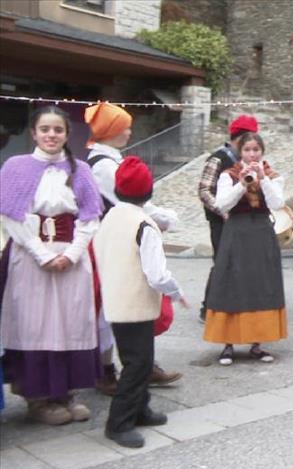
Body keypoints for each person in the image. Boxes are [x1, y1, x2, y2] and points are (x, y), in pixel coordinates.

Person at [0, 106, 102, 425]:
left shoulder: (80, 170)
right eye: (45, 129)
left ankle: (65, 392)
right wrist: (42, 254)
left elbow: (90, 217)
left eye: (58, 130)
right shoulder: (16, 167)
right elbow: (11, 216)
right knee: (37, 324)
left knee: (68, 324)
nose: (51, 135)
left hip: (70, 256)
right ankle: (38, 397)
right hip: (31, 258)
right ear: (34, 133)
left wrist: (71, 254)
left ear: (67, 135)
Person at [84, 102, 182, 394]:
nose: (129, 131)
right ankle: (110, 370)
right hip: (113, 240)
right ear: (111, 130)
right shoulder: (102, 165)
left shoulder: (107, 159)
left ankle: (140, 364)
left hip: (118, 236)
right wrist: (165, 218)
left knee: (132, 301)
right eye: (124, 126)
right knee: (113, 306)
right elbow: (129, 201)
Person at [93, 156, 188, 448]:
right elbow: (157, 273)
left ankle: (141, 408)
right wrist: (175, 291)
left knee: (135, 359)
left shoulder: (109, 218)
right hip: (135, 303)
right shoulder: (144, 224)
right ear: (149, 192)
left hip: (115, 300)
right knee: (138, 364)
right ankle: (118, 422)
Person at [203, 132, 287, 365]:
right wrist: (242, 184)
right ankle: (228, 344)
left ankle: (257, 343)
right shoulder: (228, 175)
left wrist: (263, 180)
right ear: (240, 152)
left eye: (256, 150)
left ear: (262, 152)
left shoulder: (272, 175)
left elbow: (277, 204)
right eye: (248, 150)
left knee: (260, 284)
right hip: (236, 232)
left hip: (261, 232)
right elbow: (221, 204)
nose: (252, 154)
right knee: (232, 283)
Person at [197, 114, 259, 323]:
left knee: (239, 263)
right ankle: (208, 308)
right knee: (222, 263)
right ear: (238, 138)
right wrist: (222, 210)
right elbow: (204, 190)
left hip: (242, 220)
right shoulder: (219, 158)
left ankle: (233, 305)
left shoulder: (247, 160)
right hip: (221, 220)